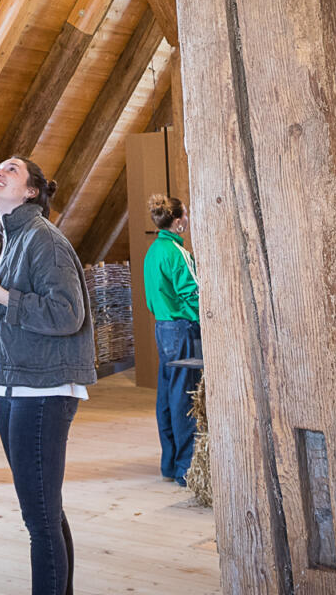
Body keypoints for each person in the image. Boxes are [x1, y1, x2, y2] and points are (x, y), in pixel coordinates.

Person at [0, 156, 95, 595]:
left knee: (38, 520)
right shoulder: (4, 240)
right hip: (15, 387)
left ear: (31, 192)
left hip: (44, 390)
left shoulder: (44, 240)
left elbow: (68, 313)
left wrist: (1, 296)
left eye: (12, 170)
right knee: (46, 512)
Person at [144, 194, 201, 486]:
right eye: (186, 215)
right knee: (185, 398)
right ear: (178, 221)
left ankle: (169, 463)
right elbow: (192, 291)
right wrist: (207, 319)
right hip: (181, 327)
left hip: (162, 327)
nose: (187, 220)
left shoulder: (153, 251)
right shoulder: (177, 252)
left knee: (167, 395)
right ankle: (186, 468)